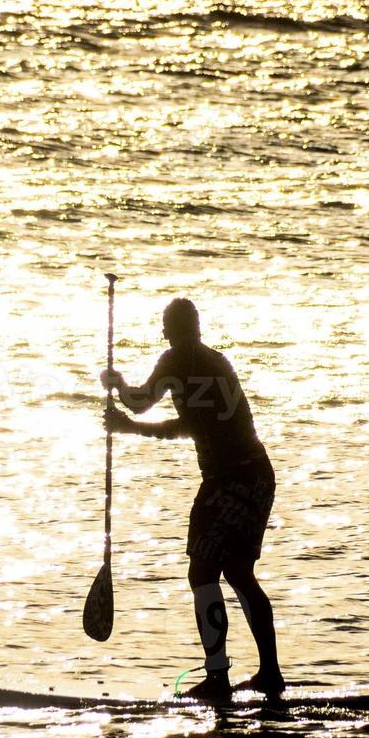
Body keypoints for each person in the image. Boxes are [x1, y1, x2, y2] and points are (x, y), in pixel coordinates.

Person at [101, 298, 283, 699]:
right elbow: (184, 422)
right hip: (257, 476)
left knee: (203, 573)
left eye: (167, 329)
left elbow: (145, 404)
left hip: (229, 479)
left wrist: (121, 402)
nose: (167, 336)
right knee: (237, 573)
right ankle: (269, 674)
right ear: (197, 329)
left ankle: (219, 679)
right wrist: (124, 403)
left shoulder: (174, 362)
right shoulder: (217, 361)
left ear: (171, 331)